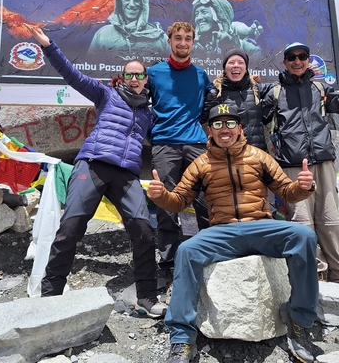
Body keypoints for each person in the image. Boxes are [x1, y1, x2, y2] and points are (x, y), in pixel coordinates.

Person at [147, 104, 319, 363]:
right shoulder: (200, 163)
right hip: (223, 231)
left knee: (303, 236)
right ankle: (182, 338)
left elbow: (286, 191)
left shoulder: (259, 157)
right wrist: (161, 196)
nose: (224, 129)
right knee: (187, 250)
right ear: (209, 131)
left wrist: (304, 187)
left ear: (240, 128)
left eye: (229, 124)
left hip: (261, 226)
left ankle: (299, 318)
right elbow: (179, 200)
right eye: (218, 124)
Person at [27, 25, 167, 318]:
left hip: (126, 175)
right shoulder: (106, 94)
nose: (134, 78)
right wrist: (48, 45)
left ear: (146, 79)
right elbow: (72, 75)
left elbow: (172, 127)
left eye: (140, 74)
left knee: (143, 230)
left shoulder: (148, 114)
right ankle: (50, 297)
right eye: (129, 73)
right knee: (70, 229)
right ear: (123, 77)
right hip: (92, 165)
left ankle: (147, 296)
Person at [263, 41, 339, 285]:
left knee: (329, 219)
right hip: (292, 166)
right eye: (292, 57)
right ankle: (314, 269)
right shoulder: (274, 93)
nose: (297, 61)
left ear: (308, 61)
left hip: (323, 162)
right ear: (285, 62)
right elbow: (255, 118)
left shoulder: (320, 89)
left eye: (302, 56)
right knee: (301, 221)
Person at [147, 22, 213, 280]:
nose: (182, 43)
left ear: (193, 43)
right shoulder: (153, 73)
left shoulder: (200, 74)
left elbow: (217, 97)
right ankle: (168, 262)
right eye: (178, 38)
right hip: (164, 144)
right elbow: (136, 98)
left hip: (196, 143)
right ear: (169, 41)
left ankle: (209, 253)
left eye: (187, 38)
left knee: (206, 199)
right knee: (166, 204)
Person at [201, 48, 270, 151]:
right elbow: (199, 121)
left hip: (258, 155)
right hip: (229, 158)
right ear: (225, 68)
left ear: (246, 68)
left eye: (241, 62)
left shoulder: (256, 89)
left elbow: (278, 88)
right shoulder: (215, 93)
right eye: (231, 62)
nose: (236, 65)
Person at [88, 0, 167, 59]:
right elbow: (90, 64)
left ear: (143, 4)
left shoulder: (159, 37)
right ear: (119, 2)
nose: (131, 4)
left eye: (136, 0)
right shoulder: (102, 35)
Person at [192, 0, 262, 58]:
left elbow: (259, 58)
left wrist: (232, 47)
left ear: (219, 16)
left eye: (204, 12)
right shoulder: (190, 46)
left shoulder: (246, 48)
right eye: (196, 14)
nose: (198, 18)